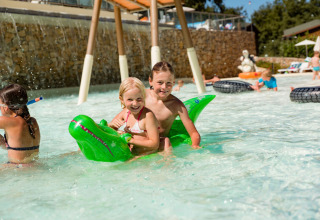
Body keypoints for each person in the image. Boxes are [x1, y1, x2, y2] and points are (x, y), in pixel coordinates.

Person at [146, 61, 201, 151]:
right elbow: (124, 116)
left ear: (173, 82)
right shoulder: (141, 97)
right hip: (138, 140)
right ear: (150, 81)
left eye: (169, 83)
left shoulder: (176, 106)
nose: (164, 87)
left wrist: (195, 147)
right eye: (160, 82)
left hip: (160, 144)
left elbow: (194, 134)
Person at [108, 77, 159, 156]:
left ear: (144, 96)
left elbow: (154, 144)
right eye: (130, 100)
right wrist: (111, 126)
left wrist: (129, 140)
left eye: (139, 99)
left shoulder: (147, 116)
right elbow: (107, 131)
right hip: (132, 152)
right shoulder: (125, 112)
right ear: (122, 99)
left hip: (146, 154)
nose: (135, 103)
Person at [0, 84, 40, 165]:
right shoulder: (32, 121)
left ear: (6, 107)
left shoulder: (7, 121)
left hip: (16, 168)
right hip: (34, 165)